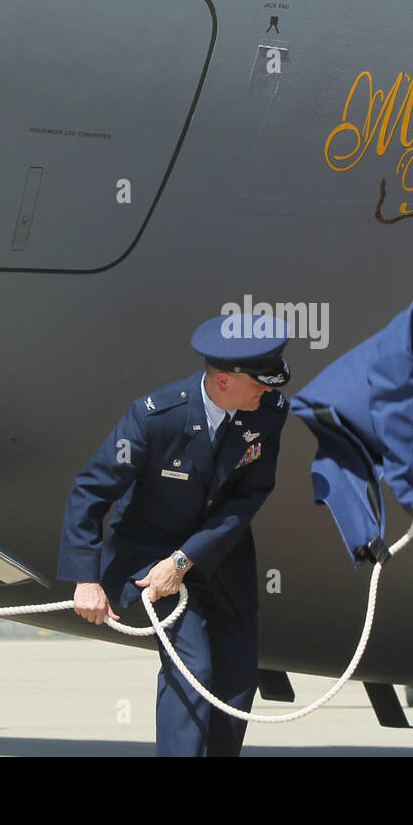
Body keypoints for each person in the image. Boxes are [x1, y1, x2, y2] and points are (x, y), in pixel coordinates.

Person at [57, 315, 290, 756]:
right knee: (194, 667)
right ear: (224, 380)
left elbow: (250, 495)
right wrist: (86, 579)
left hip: (220, 555)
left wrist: (186, 559)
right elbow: (91, 491)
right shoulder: (154, 418)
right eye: (259, 382)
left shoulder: (268, 412)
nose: (269, 391)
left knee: (237, 678)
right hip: (150, 557)